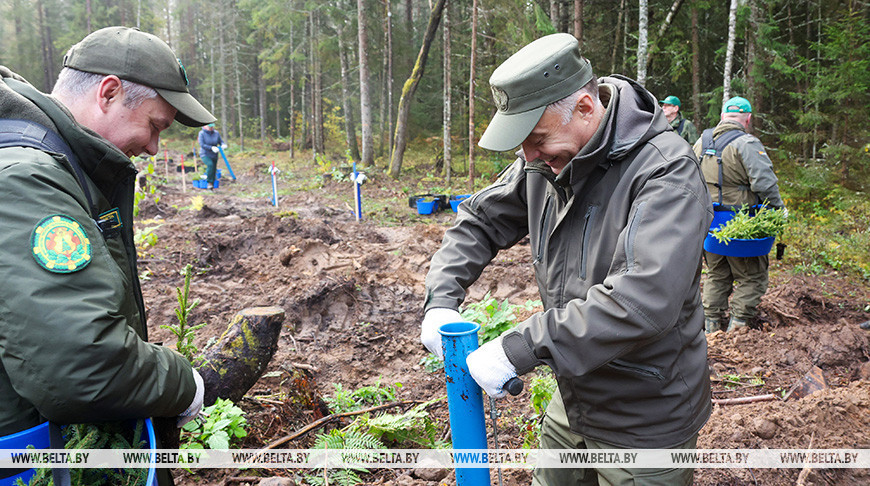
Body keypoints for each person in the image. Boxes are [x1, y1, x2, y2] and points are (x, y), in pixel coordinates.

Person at [421, 33, 712, 486]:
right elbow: (479, 220)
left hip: (644, 414)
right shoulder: (545, 162)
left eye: (536, 139)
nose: (529, 157)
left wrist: (519, 347)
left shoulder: (664, 170)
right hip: (574, 396)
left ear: (583, 107)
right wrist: (441, 298)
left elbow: (642, 300)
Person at [0, 26, 214, 485]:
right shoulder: (27, 180)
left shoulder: (50, 164)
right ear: (109, 92)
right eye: (155, 125)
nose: (155, 147)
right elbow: (82, 364)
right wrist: (186, 386)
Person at [693, 96, 784, 333]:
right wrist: (777, 211)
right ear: (748, 119)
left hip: (709, 224)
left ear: (723, 116)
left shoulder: (701, 142)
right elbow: (764, 183)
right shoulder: (747, 143)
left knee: (717, 273)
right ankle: (739, 328)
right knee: (751, 275)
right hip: (742, 225)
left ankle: (710, 326)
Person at [198, 122, 226, 189]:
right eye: (210, 127)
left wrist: (223, 145)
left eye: (212, 127)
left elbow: (220, 141)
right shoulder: (201, 133)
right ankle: (209, 183)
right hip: (205, 153)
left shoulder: (216, 133)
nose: (211, 128)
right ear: (206, 126)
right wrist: (211, 148)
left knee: (213, 168)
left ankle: (212, 184)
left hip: (214, 154)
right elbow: (202, 145)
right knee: (210, 165)